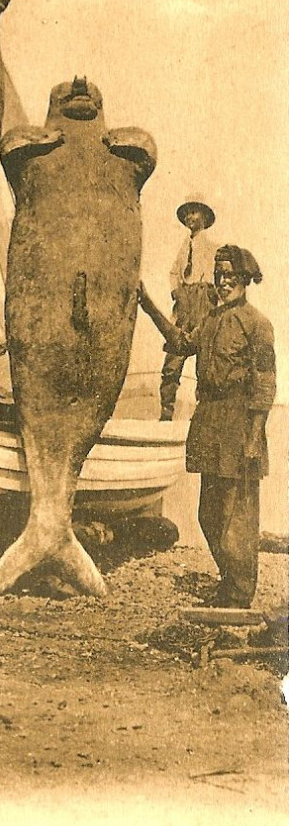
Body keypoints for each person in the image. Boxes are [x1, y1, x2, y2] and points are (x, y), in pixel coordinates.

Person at [139, 245, 276, 608]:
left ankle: (238, 594)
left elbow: (265, 383)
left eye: (230, 277)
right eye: (219, 276)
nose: (223, 282)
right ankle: (228, 581)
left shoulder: (258, 324)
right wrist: (149, 305)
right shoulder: (211, 321)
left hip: (240, 420)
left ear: (246, 280)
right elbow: (180, 343)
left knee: (238, 515)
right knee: (209, 514)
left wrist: (253, 436)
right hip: (210, 418)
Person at [159, 198, 218, 420]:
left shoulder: (212, 247)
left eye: (195, 213)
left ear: (204, 218)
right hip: (185, 304)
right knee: (172, 360)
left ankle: (203, 415)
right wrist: (176, 291)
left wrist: (210, 299)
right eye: (187, 214)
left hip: (204, 300)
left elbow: (216, 276)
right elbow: (174, 273)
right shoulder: (184, 248)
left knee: (205, 359)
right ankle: (166, 412)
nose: (190, 218)